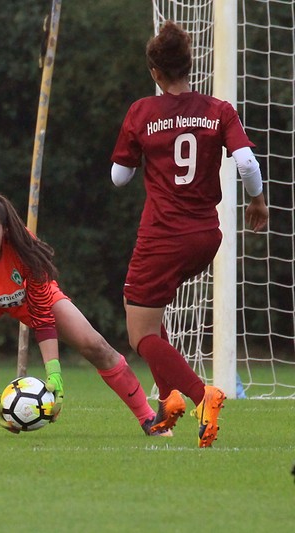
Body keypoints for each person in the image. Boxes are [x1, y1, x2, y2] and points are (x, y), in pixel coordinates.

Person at [110, 21, 268, 448]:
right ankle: (169, 401)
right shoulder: (218, 110)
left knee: (140, 334)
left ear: (154, 71)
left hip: (163, 235)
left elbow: (119, 178)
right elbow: (247, 163)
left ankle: (202, 396)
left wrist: (142, 153)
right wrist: (257, 201)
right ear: (190, 64)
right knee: (151, 316)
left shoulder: (142, 112)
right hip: (205, 236)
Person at [0, 193, 167, 438]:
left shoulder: (26, 248)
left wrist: (54, 374)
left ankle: (149, 419)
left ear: (5, 230)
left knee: (95, 345)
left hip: (28, 299)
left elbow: (43, 317)